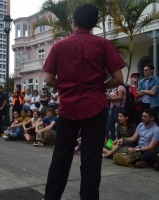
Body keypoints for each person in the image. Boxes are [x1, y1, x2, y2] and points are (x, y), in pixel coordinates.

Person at [42, 3, 125, 200]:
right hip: (95, 108)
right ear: (94, 23)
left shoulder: (60, 46)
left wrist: (68, 85)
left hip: (69, 108)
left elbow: (49, 80)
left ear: (74, 21)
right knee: (91, 159)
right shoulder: (103, 44)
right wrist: (100, 86)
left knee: (61, 157)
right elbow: (119, 78)